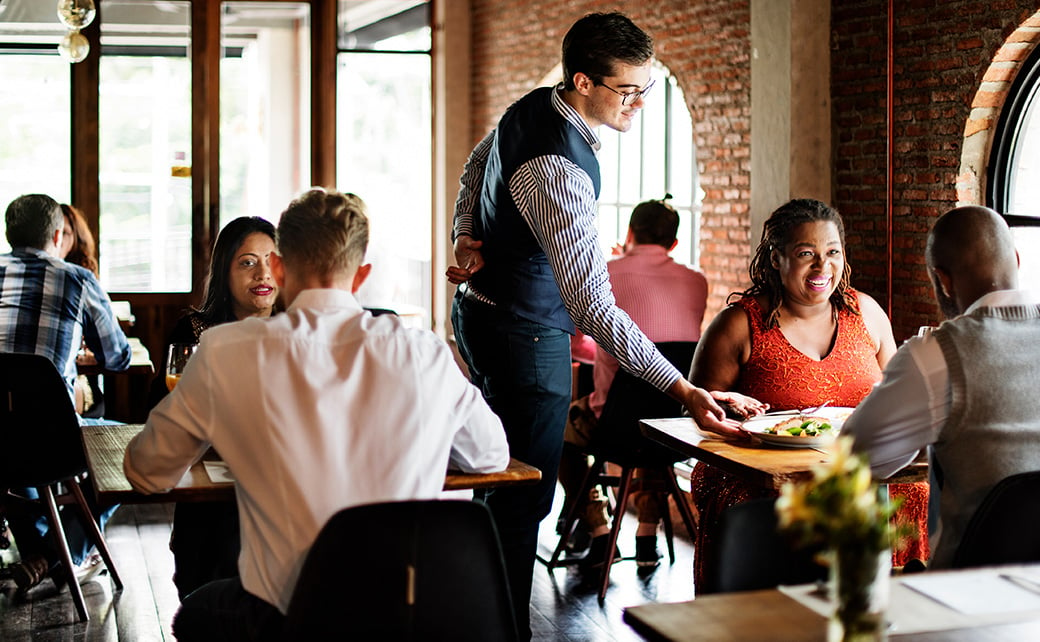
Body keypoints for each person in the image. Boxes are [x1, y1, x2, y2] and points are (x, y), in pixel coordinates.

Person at [446, 13, 748, 633]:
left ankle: (476, 617)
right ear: (583, 81)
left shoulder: (532, 107)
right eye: (627, 91)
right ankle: (503, 630)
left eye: (646, 89)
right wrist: (683, 388)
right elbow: (591, 306)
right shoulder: (560, 170)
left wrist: (468, 234)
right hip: (525, 336)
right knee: (521, 496)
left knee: (499, 481)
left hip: (481, 314)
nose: (638, 104)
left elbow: (477, 164)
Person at [124, 188, 509, 641]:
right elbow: (491, 455)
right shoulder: (423, 352)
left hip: (292, 623)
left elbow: (147, 472)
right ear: (362, 274)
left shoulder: (225, 352)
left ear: (282, 269)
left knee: (196, 612)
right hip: (414, 614)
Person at [686, 198, 927, 591]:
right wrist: (722, 405)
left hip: (858, 466)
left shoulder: (865, 313)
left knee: (914, 490)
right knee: (753, 505)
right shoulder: (738, 325)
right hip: (759, 475)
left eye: (832, 252)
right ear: (776, 258)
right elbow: (694, 411)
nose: (822, 266)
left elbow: (898, 396)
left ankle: (896, 616)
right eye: (805, 254)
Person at [847, 205, 1040, 568]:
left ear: (943, 281)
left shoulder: (937, 355)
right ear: (1015, 258)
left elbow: (857, 455)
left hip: (969, 593)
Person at [558, 197, 708, 571]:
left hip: (616, 426)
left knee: (557, 433)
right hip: (676, 427)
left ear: (629, 232)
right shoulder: (697, 281)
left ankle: (598, 528)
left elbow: (579, 345)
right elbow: (673, 347)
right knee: (653, 419)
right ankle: (646, 533)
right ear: (674, 244)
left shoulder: (604, 273)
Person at [0, 193, 131, 592]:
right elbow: (117, 357)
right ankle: (58, 554)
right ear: (59, 235)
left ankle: (39, 554)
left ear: (8, 234)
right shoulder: (77, 279)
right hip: (52, 442)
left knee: (15, 446)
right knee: (134, 449)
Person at [145, 216, 279, 600]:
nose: (262, 273)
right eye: (247, 262)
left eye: (272, 260)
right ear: (225, 270)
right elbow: (159, 411)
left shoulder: (298, 330)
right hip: (211, 496)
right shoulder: (196, 332)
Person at [58, 203, 105, 417]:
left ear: (76, 238)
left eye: (65, 233)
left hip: (75, 376)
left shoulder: (82, 276)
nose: (57, 240)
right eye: (54, 233)